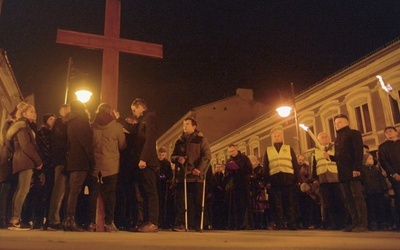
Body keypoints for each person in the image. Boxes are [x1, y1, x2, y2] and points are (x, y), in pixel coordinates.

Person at [323, 114, 367, 232]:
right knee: (348, 199)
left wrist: (356, 169)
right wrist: (330, 157)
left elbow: (358, 152)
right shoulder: (337, 139)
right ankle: (354, 222)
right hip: (342, 173)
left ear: (347, 122)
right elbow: (340, 157)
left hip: (353, 171)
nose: (337, 125)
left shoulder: (354, 133)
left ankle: (362, 223)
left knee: (357, 197)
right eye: (336, 123)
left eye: (340, 122)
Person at [86, 103, 126, 232]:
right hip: (112, 165)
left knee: (93, 194)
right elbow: (122, 145)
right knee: (111, 194)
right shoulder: (117, 127)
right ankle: (109, 223)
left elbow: (89, 144)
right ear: (110, 112)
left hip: (95, 165)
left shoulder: (92, 126)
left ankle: (91, 223)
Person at [6, 102, 43, 230]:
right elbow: (26, 145)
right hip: (25, 161)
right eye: (31, 111)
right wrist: (38, 161)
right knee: (23, 190)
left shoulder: (25, 125)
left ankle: (15, 218)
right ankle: (15, 219)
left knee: (21, 190)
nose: (35, 114)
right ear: (24, 113)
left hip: (23, 160)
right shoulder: (22, 126)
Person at [171, 117, 211, 231]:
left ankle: (198, 224)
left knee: (197, 202)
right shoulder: (179, 141)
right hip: (182, 176)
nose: (184, 126)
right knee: (181, 202)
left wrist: (199, 169)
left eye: (187, 124)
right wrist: (178, 158)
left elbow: (207, 156)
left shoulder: (200, 139)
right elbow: (172, 156)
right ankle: (181, 224)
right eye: (183, 124)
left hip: (196, 176)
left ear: (194, 126)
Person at [63, 100, 94, 231]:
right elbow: (86, 144)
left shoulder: (70, 123)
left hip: (73, 160)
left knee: (72, 190)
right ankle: (70, 220)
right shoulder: (82, 122)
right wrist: (92, 160)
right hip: (81, 161)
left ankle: (68, 219)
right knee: (75, 191)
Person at [129, 98, 160, 232]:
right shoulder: (142, 120)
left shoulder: (150, 117)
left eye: (134, 110)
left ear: (140, 107)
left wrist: (143, 158)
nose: (134, 113)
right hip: (143, 162)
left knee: (150, 192)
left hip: (147, 162)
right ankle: (147, 221)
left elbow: (150, 139)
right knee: (145, 193)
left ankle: (153, 222)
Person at [263, 130, 300, 230]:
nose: (277, 137)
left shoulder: (288, 148)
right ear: (272, 138)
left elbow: (295, 164)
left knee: (290, 203)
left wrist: (298, 179)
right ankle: (280, 224)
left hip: (288, 178)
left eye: (278, 135)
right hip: (275, 179)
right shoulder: (268, 150)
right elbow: (266, 166)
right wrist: (266, 181)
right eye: (275, 136)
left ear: (282, 137)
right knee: (277, 204)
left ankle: (292, 224)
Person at [312, 131, 347, 230]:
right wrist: (315, 178)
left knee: (340, 201)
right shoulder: (315, 151)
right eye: (322, 137)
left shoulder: (335, 148)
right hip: (323, 178)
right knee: (328, 202)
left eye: (326, 136)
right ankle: (332, 223)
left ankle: (342, 222)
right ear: (318, 140)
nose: (324, 138)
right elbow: (313, 165)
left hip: (336, 177)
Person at [46, 104, 70, 230]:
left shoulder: (58, 125)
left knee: (61, 192)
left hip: (61, 161)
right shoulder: (61, 124)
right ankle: (53, 220)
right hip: (62, 162)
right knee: (59, 191)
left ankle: (56, 219)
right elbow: (62, 143)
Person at [225, 144, 252, 230]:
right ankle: (235, 224)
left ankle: (245, 224)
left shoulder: (244, 158)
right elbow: (226, 174)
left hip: (243, 184)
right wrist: (230, 172)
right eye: (230, 152)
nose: (231, 153)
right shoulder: (229, 160)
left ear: (236, 149)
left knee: (244, 204)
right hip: (234, 185)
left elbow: (249, 169)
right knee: (234, 206)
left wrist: (238, 169)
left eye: (232, 151)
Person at [378, 126, 400, 230]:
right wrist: (393, 174)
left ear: (396, 132)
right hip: (395, 177)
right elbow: (384, 162)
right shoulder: (383, 147)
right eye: (386, 132)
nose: (388, 133)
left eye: (390, 131)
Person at [0, 108, 17, 228]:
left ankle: (5, 218)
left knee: (10, 191)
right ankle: (2, 218)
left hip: (12, 161)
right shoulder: (9, 124)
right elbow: (7, 141)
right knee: (5, 191)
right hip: (7, 161)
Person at [361, 153, 387, 231]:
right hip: (369, 192)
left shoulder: (376, 169)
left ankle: (381, 223)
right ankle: (373, 223)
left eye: (372, 158)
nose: (371, 160)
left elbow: (381, 179)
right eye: (369, 158)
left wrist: (384, 187)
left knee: (380, 207)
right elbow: (363, 182)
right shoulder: (362, 170)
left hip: (378, 191)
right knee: (371, 208)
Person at [157, 146, 173, 229]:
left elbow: (170, 175)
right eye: (160, 155)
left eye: (162, 155)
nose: (161, 157)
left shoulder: (167, 163)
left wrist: (165, 177)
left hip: (164, 185)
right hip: (157, 185)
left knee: (163, 203)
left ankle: (164, 222)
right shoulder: (156, 162)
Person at [211, 164, 226, 230]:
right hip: (215, 195)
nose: (218, 168)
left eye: (219, 167)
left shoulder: (224, 176)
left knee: (222, 210)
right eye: (217, 167)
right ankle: (215, 225)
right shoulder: (213, 176)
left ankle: (222, 225)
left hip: (222, 195)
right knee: (215, 210)